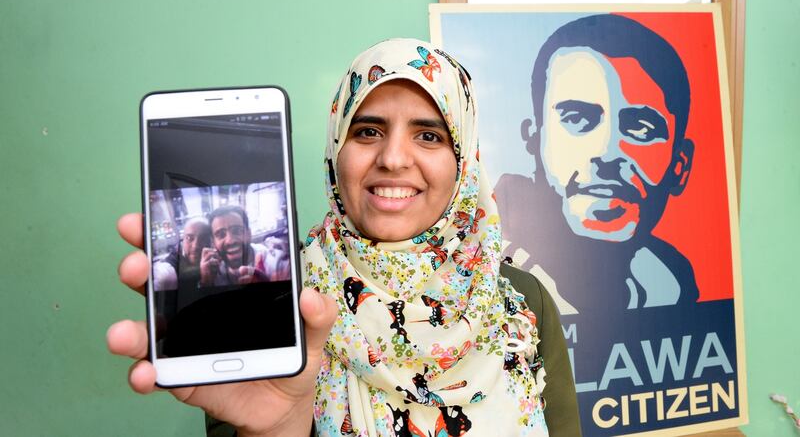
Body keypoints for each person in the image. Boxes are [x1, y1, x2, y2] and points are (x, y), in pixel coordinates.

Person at [109, 38, 579, 436]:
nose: (394, 158)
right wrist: (274, 431)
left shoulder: (520, 301)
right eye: (368, 130)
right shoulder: (277, 303)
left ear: (464, 162)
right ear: (337, 149)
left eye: (430, 136)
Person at [495, 14, 699, 315]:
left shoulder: (672, 280)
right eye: (576, 119)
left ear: (680, 166)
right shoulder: (489, 282)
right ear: (534, 139)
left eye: (641, 128)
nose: (606, 152)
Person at [200, 205, 270, 287]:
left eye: (237, 231)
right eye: (221, 234)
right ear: (213, 243)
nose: (230, 241)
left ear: (249, 234)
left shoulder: (273, 262)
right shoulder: (213, 271)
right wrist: (205, 283)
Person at [152, 217, 210, 291]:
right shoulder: (167, 274)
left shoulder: (217, 263)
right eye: (189, 238)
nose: (195, 246)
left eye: (203, 238)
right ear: (183, 239)